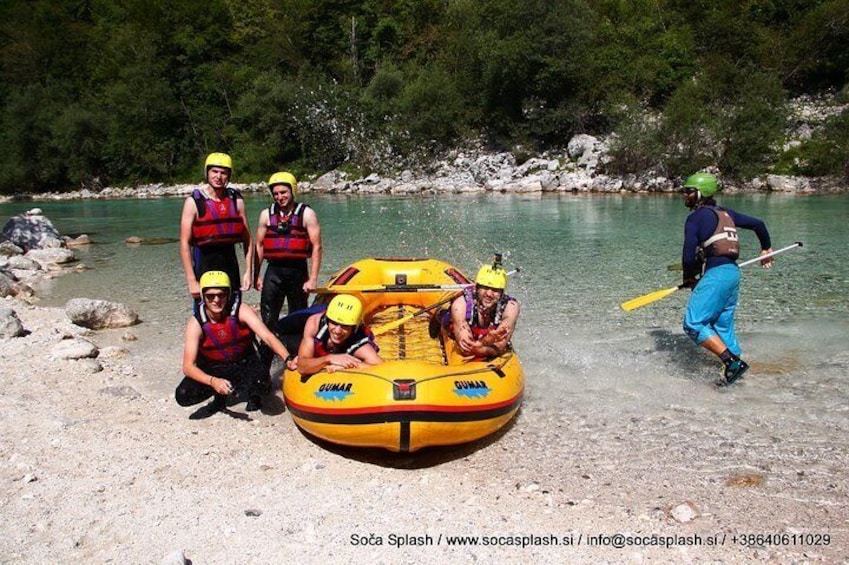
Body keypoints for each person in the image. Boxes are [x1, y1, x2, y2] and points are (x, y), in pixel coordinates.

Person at [680, 172, 773, 385]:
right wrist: (765, 248)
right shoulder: (726, 213)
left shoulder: (695, 217)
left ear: (701, 193)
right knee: (721, 324)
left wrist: (689, 277)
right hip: (732, 273)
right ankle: (736, 370)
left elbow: (688, 255)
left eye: (688, 191)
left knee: (693, 324)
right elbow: (758, 224)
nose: (684, 195)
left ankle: (731, 362)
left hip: (716, 274)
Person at [176, 271, 295, 419]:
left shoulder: (241, 310)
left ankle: (253, 391)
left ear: (229, 294)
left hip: (244, 362)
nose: (216, 300)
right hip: (215, 368)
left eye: (221, 294)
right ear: (202, 297)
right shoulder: (196, 324)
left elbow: (267, 336)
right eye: (210, 296)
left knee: (261, 384)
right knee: (183, 396)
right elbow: (188, 366)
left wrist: (288, 358)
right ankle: (220, 398)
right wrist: (213, 381)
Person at [253, 172, 322, 380]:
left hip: (297, 271)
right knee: (267, 321)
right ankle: (262, 374)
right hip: (274, 271)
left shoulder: (306, 214)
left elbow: (317, 246)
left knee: (298, 319)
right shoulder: (266, 215)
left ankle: (297, 363)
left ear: (292, 191)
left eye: (283, 192)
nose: (279, 197)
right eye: (275, 193)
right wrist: (256, 274)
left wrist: (313, 278)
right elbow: (259, 245)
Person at [179, 152, 252, 299]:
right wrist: (192, 281)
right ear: (207, 173)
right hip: (204, 263)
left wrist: (248, 271)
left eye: (223, 173)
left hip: (230, 264)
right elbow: (184, 244)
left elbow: (248, 240)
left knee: (232, 312)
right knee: (205, 314)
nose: (218, 176)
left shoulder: (236, 200)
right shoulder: (193, 202)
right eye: (214, 171)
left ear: (229, 175)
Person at [445, 261, 520, 359]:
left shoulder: (511, 307)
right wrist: (486, 341)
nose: (489, 294)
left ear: (502, 293)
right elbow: (466, 349)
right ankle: (439, 314)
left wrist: (484, 344)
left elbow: (499, 346)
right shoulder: (460, 304)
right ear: (476, 288)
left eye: (495, 290)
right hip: (455, 322)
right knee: (447, 322)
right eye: (485, 287)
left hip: (483, 335)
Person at [296, 294, 382, 377]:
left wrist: (349, 366)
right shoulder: (314, 324)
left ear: (354, 328)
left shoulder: (359, 341)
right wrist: (329, 359)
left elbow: (381, 368)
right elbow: (301, 367)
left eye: (345, 326)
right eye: (334, 323)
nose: (337, 331)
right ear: (327, 321)